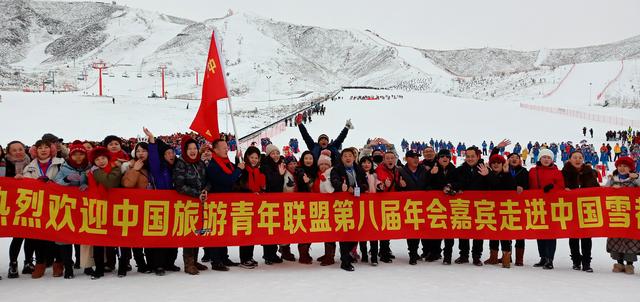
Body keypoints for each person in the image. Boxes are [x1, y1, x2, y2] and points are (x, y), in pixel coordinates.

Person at [22, 140, 65, 279]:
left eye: (47, 147)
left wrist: (52, 183)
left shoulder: (60, 163)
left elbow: (65, 179)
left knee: (57, 235)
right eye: (40, 148)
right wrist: (35, 183)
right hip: (38, 205)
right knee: (39, 235)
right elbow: (25, 183)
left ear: (52, 149)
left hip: (57, 204)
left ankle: (58, 263)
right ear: (35, 151)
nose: (43, 150)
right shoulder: (30, 166)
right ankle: (40, 262)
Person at [53, 140, 91, 279]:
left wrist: (88, 185)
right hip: (67, 206)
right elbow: (56, 183)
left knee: (85, 235)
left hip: (85, 207)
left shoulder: (90, 166)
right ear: (71, 155)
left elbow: (95, 182)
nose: (78, 157)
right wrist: (67, 180)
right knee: (66, 236)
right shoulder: (63, 167)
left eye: (81, 154)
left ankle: (86, 265)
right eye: (75, 154)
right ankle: (68, 266)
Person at [205, 139, 244, 271]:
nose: (226, 149)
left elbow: (234, 172)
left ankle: (224, 257)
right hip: (216, 203)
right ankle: (216, 261)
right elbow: (228, 180)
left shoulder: (225, 162)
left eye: (227, 147)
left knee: (224, 231)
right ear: (215, 150)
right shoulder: (213, 165)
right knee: (216, 232)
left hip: (226, 202)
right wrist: (238, 169)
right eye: (223, 147)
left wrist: (238, 161)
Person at [173, 135, 210, 275]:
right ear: (185, 150)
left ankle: (194, 260)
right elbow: (179, 186)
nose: (193, 151)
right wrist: (196, 194)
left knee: (198, 231)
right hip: (187, 204)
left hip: (200, 203)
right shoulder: (181, 163)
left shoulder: (200, 163)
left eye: (195, 148)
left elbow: (207, 179)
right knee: (189, 233)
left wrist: (206, 190)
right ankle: (188, 263)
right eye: (190, 149)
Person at [87, 146, 123, 279]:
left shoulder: (115, 168)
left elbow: (110, 182)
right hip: (97, 207)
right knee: (98, 239)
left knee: (116, 238)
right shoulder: (91, 172)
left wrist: (96, 172)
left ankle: (121, 266)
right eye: (97, 159)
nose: (101, 161)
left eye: (103, 158)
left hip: (113, 207)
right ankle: (99, 268)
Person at [330, 148, 369, 271]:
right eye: (345, 156)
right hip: (343, 205)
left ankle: (347, 254)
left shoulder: (358, 169)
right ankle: (345, 260)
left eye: (350, 156)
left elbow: (365, 185)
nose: (348, 158)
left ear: (354, 157)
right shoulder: (336, 169)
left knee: (355, 232)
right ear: (341, 158)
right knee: (344, 233)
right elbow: (334, 180)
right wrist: (341, 186)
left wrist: (356, 188)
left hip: (357, 205)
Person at [451, 146, 489, 266]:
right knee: (464, 230)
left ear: (478, 156)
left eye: (473, 156)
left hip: (480, 205)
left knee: (478, 231)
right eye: (468, 156)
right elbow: (454, 183)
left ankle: (477, 256)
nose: (470, 158)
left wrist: (487, 175)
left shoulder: (485, 168)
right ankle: (464, 255)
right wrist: (458, 188)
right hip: (464, 205)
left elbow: (492, 185)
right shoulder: (460, 170)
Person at [562, 150, 599, 272]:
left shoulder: (590, 172)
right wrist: (564, 190)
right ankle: (576, 261)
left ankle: (587, 262)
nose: (577, 160)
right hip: (571, 209)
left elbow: (597, 189)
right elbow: (558, 188)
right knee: (573, 236)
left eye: (580, 157)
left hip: (586, 209)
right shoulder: (564, 173)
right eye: (575, 157)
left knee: (586, 236)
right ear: (570, 159)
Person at [529, 148, 565, 270]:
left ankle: (550, 259)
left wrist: (552, 187)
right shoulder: (533, 171)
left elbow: (561, 187)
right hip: (537, 205)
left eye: (549, 157)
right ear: (540, 158)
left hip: (552, 206)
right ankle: (543, 257)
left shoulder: (557, 172)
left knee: (550, 233)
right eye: (544, 157)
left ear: (552, 160)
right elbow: (528, 186)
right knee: (540, 232)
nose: (546, 159)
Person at [5, 141, 35, 279]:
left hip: (29, 202)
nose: (18, 152)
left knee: (30, 234)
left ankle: (28, 262)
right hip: (11, 205)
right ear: (9, 152)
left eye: (20, 149)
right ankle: (13, 264)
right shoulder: (4, 164)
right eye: (14, 150)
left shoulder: (31, 163)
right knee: (17, 235)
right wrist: (12, 179)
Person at [605, 157, 640, 275]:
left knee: (630, 238)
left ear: (630, 168)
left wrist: (638, 178)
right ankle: (619, 263)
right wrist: (610, 189)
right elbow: (603, 192)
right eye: (620, 165)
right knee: (616, 237)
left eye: (625, 166)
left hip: (631, 216)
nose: (622, 168)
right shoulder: (612, 179)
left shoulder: (635, 180)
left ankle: (630, 264)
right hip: (616, 214)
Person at [484, 154, 516, 268]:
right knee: (492, 232)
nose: (496, 164)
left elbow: (511, 188)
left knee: (504, 232)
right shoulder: (486, 174)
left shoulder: (507, 174)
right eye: (494, 163)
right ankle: (493, 256)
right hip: (490, 208)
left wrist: (506, 173)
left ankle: (506, 257)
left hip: (505, 208)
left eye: (499, 162)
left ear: (503, 164)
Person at [397, 150, 429, 265]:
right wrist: (401, 186)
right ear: (406, 159)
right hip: (409, 205)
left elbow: (429, 185)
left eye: (417, 157)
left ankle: (425, 252)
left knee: (422, 229)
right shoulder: (401, 171)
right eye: (413, 157)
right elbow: (396, 189)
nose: (416, 159)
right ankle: (413, 254)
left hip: (423, 204)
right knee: (411, 230)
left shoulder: (424, 170)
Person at [260, 144, 287, 264]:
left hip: (279, 200)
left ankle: (274, 252)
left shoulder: (281, 163)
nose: (275, 155)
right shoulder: (265, 166)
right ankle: (267, 255)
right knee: (268, 228)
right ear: (268, 155)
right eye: (273, 153)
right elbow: (270, 181)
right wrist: (279, 174)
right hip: (268, 200)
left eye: (277, 152)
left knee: (276, 228)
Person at [358, 156, 381, 266]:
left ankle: (374, 256)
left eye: (368, 163)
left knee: (373, 233)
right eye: (363, 162)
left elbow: (378, 184)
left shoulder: (374, 175)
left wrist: (381, 185)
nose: (366, 165)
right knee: (362, 232)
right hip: (360, 207)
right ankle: (364, 255)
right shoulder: (357, 174)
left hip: (372, 206)